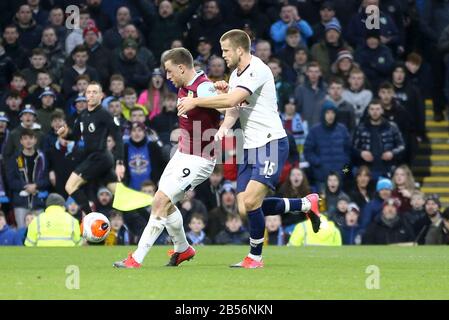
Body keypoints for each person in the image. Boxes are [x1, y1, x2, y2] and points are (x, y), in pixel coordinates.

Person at [177, 30, 320, 268]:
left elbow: (234, 100)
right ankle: (305, 204)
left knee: (253, 201)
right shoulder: (235, 75)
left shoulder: (258, 69)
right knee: (244, 207)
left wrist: (196, 101)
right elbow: (234, 109)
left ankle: (254, 257)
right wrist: (223, 129)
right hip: (249, 146)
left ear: (239, 50)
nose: (222, 56)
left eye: (225, 50)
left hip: (271, 143)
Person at [114, 47, 220, 269]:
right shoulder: (185, 86)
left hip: (200, 159)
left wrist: (198, 101)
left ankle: (136, 259)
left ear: (181, 68)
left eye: (170, 72)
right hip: (183, 153)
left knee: (161, 201)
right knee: (164, 202)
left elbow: (228, 104)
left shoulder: (203, 86)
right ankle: (183, 249)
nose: (168, 77)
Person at [56, 82, 125, 218]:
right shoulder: (83, 115)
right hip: (94, 158)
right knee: (119, 193)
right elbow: (75, 136)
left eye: (95, 92)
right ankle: (144, 215)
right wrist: (64, 134)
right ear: (85, 95)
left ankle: (90, 217)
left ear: (101, 96)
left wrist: (120, 162)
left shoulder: (104, 114)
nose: (91, 95)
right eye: (89, 92)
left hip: (99, 157)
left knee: (70, 186)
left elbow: (118, 136)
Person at [7, 129, 49, 229]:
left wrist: (36, 186)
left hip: (38, 202)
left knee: (40, 232)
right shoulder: (15, 158)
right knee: (21, 232)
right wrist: (25, 186)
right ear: (21, 141)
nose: (28, 141)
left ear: (35, 140)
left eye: (31, 138)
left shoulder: (42, 158)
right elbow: (11, 181)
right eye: (25, 138)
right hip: (20, 204)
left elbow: (47, 180)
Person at [352, 100, 405, 179]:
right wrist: (361, 153)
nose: (375, 112)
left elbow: (402, 146)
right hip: (366, 171)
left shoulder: (392, 126)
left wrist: (392, 153)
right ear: (368, 111)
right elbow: (352, 147)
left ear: (382, 110)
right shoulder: (360, 128)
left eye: (377, 109)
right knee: (347, 170)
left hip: (387, 169)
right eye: (372, 109)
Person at [303, 100, 351, 188]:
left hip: (340, 178)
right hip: (321, 178)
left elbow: (348, 154)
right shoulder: (314, 131)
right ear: (323, 114)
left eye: (333, 113)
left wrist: (344, 172)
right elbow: (307, 152)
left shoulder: (342, 130)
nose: (330, 115)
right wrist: (318, 165)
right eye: (327, 113)